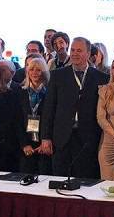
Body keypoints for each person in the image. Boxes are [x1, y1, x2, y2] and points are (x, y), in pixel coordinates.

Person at [40, 37, 108, 178]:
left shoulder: (102, 78)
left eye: (79, 50)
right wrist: (45, 137)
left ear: (88, 53)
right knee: (60, 179)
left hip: (89, 139)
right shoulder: (57, 75)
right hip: (62, 138)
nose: (75, 53)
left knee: (86, 181)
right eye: (72, 50)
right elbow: (49, 108)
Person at [15, 55, 51, 175]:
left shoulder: (50, 92)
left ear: (44, 72)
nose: (34, 73)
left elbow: (53, 120)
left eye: (38, 70)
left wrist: (46, 141)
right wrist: (24, 144)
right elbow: (17, 121)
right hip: (26, 145)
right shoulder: (20, 92)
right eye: (31, 69)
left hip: (44, 145)